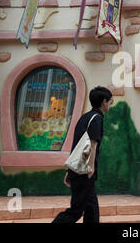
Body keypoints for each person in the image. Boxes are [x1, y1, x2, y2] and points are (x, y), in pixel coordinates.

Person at [52, 86, 114, 223]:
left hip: (78, 172)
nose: (110, 104)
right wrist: (90, 168)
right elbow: (92, 144)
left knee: (91, 209)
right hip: (85, 172)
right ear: (104, 101)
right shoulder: (97, 118)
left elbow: (76, 145)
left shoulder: (85, 118)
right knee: (76, 211)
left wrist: (70, 170)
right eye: (111, 101)